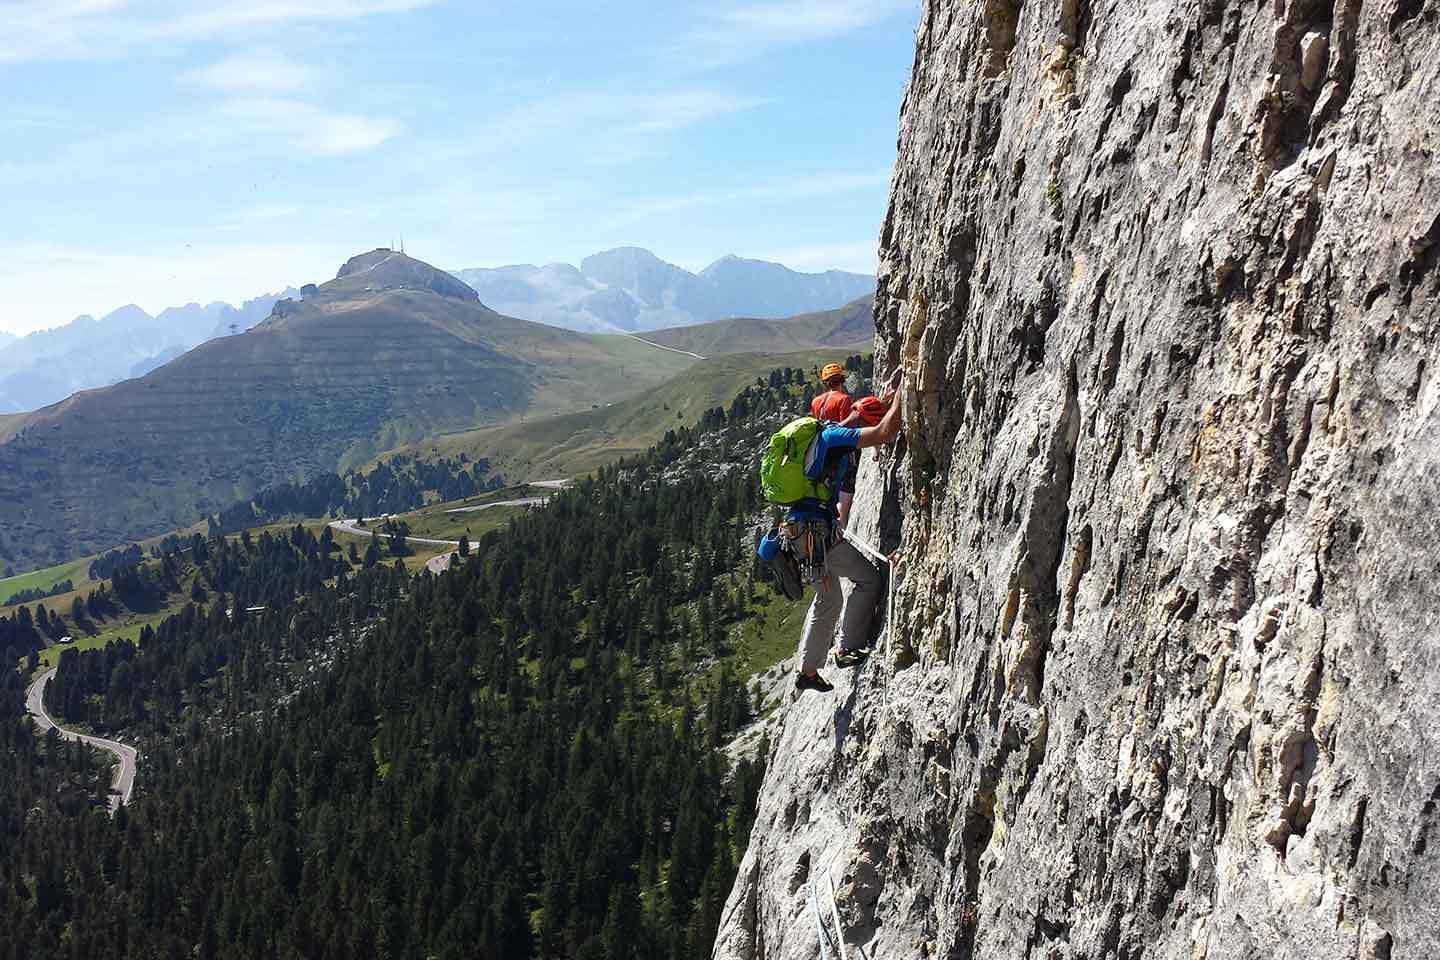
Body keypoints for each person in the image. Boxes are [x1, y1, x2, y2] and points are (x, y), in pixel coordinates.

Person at [792, 368, 903, 694]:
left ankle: (808, 672)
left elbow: (865, 416)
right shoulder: (836, 437)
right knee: (868, 578)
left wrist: (880, 400)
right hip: (819, 532)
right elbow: (883, 432)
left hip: (797, 532)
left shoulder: (817, 436)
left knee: (827, 601)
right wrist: (902, 395)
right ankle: (847, 648)